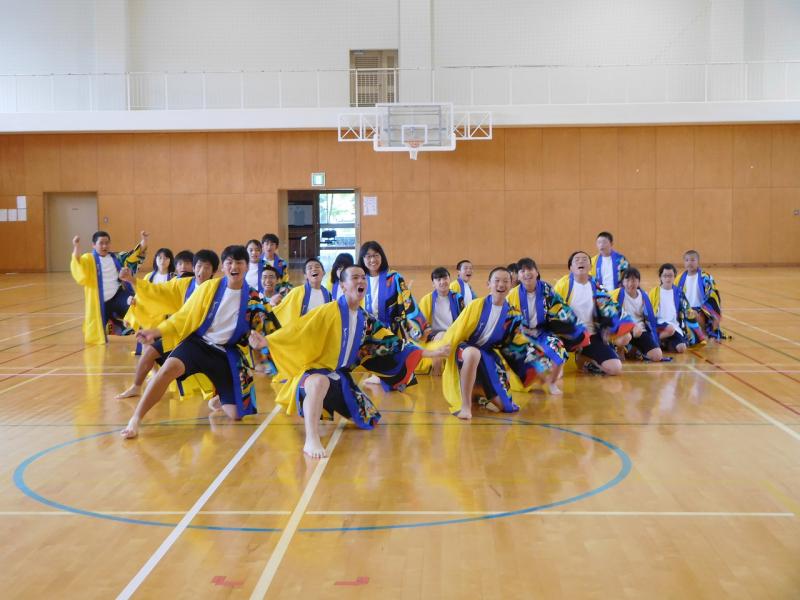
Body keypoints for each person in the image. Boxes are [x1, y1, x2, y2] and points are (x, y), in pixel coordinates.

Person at [251, 265, 448, 458]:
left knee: (369, 420)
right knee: (319, 382)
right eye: (355, 277)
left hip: (340, 377)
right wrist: (267, 341)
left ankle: (330, 403)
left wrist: (430, 353)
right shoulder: (327, 311)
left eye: (363, 277)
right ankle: (311, 439)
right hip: (313, 373)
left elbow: (392, 342)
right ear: (343, 286)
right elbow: (297, 330)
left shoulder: (365, 320)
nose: (361, 280)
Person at [120, 245, 280, 439]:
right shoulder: (209, 288)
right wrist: (156, 331)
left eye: (239, 262)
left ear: (246, 266)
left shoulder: (255, 299)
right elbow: (183, 316)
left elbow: (271, 331)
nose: (234, 267)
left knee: (236, 414)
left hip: (226, 354)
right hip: (197, 344)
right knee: (167, 370)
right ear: (223, 267)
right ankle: (135, 419)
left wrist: (262, 347)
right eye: (229, 262)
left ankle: (220, 399)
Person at [436, 267, 556, 420]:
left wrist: (540, 364)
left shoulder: (513, 315)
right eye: (497, 281)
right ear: (489, 284)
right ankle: (466, 406)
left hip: (487, 355)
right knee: (473, 353)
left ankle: (479, 394)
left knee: (505, 407)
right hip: (465, 350)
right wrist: (439, 351)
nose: (501, 284)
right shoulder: (476, 305)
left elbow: (518, 343)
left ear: (511, 284)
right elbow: (456, 330)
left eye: (505, 281)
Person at [116, 249, 220, 399]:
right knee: (149, 352)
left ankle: (220, 393)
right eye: (199, 266)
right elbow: (158, 291)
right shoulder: (182, 284)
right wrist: (132, 280)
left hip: (203, 339)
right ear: (194, 267)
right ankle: (136, 387)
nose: (201, 271)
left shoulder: (216, 289)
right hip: (178, 334)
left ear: (214, 271)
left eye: (207, 267)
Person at [507, 257, 587, 393]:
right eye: (522, 271)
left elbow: (561, 308)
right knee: (523, 380)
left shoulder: (546, 289)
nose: (527, 273)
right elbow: (507, 321)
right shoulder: (512, 295)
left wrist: (575, 327)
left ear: (537, 272)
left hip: (542, 333)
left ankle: (552, 383)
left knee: (558, 351)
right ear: (518, 276)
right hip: (522, 335)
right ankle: (533, 376)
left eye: (530, 269)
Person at [554, 251, 633, 375]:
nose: (581, 261)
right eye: (577, 260)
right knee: (558, 370)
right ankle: (576, 354)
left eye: (584, 259)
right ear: (571, 268)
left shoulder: (597, 286)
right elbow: (553, 312)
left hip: (592, 335)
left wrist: (608, 329)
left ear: (590, 267)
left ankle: (584, 357)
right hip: (569, 336)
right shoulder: (562, 286)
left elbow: (611, 308)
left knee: (616, 366)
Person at [71, 230, 148, 345]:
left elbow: (135, 254)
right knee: (97, 333)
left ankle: (145, 336)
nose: (104, 246)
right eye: (101, 243)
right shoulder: (89, 259)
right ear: (94, 245)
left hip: (118, 296)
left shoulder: (117, 258)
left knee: (136, 305)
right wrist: (76, 247)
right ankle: (109, 328)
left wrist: (144, 240)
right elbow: (78, 263)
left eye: (107, 243)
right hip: (99, 302)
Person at [358, 240, 424, 341]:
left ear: (382, 257)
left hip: (391, 332)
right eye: (368, 256)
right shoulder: (359, 280)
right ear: (362, 259)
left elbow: (408, 302)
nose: (373, 259)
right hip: (366, 333)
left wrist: (420, 327)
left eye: (376, 255)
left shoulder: (394, 277)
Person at [417, 267, 464, 375]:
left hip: (453, 334)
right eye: (438, 280)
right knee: (440, 338)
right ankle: (437, 372)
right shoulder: (427, 300)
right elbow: (421, 323)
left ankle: (439, 372)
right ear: (433, 284)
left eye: (445, 278)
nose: (442, 282)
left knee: (444, 338)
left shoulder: (458, 298)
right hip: (433, 335)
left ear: (449, 279)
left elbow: (462, 320)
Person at [609, 268, 663, 362]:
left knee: (657, 356)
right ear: (623, 282)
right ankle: (620, 348)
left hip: (640, 330)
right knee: (625, 338)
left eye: (634, 280)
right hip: (623, 329)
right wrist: (631, 326)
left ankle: (634, 349)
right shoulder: (615, 295)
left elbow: (649, 318)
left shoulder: (644, 296)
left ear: (638, 282)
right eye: (627, 280)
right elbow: (612, 315)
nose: (631, 283)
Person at [650, 263, 706, 352]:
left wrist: (691, 315)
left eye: (670, 276)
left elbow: (686, 309)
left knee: (681, 348)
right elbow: (648, 310)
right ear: (660, 277)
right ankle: (654, 340)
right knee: (670, 330)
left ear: (674, 277)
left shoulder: (678, 292)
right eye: (665, 276)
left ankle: (665, 342)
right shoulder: (654, 292)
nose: (668, 278)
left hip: (674, 325)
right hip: (659, 324)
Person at [677, 250, 727, 340]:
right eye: (687, 260)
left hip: (701, 308)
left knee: (699, 314)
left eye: (693, 260)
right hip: (686, 308)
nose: (690, 263)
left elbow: (713, 295)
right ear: (684, 262)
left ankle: (705, 333)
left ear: (698, 262)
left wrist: (706, 308)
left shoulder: (705, 277)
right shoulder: (679, 279)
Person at [273, 258, 333, 326]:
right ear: (305, 276)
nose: (314, 269)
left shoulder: (328, 295)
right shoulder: (296, 292)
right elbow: (281, 312)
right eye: (310, 268)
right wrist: (273, 304)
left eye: (317, 267)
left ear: (323, 273)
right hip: (302, 331)